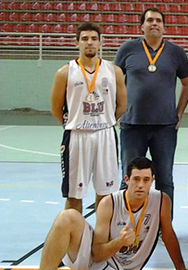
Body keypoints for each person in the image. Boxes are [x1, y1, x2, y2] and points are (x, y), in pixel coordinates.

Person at [39, 157, 187, 270]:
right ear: (127, 180)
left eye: (146, 180)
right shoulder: (109, 203)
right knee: (67, 217)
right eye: (136, 179)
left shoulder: (162, 201)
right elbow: (97, 254)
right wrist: (119, 242)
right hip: (100, 263)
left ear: (152, 181)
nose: (141, 185)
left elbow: (168, 235)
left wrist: (181, 268)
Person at [114, 7, 188, 209]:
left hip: (165, 127)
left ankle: (163, 228)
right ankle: (127, 223)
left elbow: (187, 83)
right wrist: (119, 110)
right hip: (132, 125)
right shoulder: (127, 49)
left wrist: (179, 113)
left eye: (158, 20)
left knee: (165, 180)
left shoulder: (176, 52)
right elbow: (113, 81)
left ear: (164, 27)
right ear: (142, 26)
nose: (154, 23)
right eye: (149, 20)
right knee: (129, 179)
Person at [50, 22, 127, 213]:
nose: (89, 43)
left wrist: (105, 121)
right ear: (76, 43)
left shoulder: (114, 71)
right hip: (77, 136)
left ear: (101, 43)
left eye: (94, 39)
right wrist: (73, 124)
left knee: (106, 194)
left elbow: (122, 105)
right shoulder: (65, 72)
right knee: (74, 195)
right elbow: (55, 108)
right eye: (84, 39)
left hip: (105, 135)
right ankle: (75, 237)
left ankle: (101, 240)